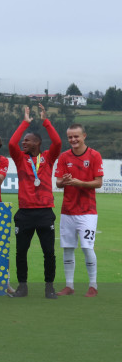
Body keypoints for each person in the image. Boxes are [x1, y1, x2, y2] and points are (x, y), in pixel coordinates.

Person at [7, 104, 62, 299]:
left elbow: (57, 142)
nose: (23, 143)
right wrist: (25, 122)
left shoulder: (48, 157)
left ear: (37, 143)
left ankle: (49, 287)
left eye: (28, 141)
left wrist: (46, 121)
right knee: (21, 252)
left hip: (45, 212)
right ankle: (23, 287)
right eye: (24, 141)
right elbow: (12, 144)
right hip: (25, 213)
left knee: (49, 252)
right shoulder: (20, 159)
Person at [54, 123, 103, 297]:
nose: (73, 140)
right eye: (70, 137)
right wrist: (65, 181)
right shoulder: (63, 157)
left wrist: (79, 183)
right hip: (67, 210)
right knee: (67, 248)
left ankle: (93, 285)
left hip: (87, 212)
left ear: (84, 136)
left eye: (76, 136)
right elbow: (58, 182)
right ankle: (69, 286)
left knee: (87, 248)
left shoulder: (94, 155)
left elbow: (98, 182)